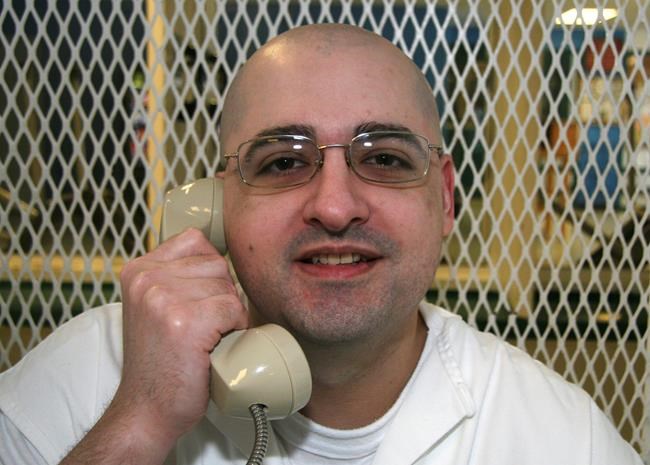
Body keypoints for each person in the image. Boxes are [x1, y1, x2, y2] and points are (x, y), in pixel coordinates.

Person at [0, 24, 643, 465]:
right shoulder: (90, 375)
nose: (334, 207)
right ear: (217, 205)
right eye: (283, 162)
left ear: (445, 199)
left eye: (385, 158)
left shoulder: (565, 440)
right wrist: (137, 425)